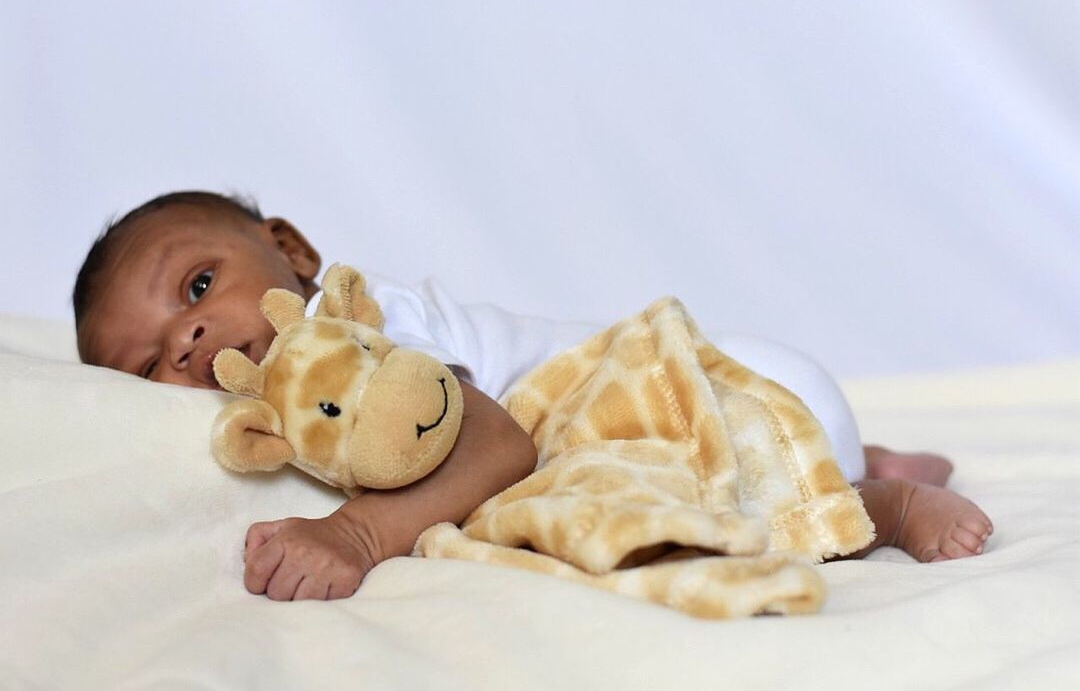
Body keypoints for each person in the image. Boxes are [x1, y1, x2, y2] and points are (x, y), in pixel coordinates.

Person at [72, 191, 993, 601]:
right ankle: (864, 454)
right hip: (763, 384)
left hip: (720, 401)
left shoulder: (355, 335)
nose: (185, 344)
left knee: (687, 526)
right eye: (147, 366)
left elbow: (499, 448)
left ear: (294, 251)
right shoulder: (281, 395)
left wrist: (353, 535)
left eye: (196, 287)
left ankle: (881, 499)